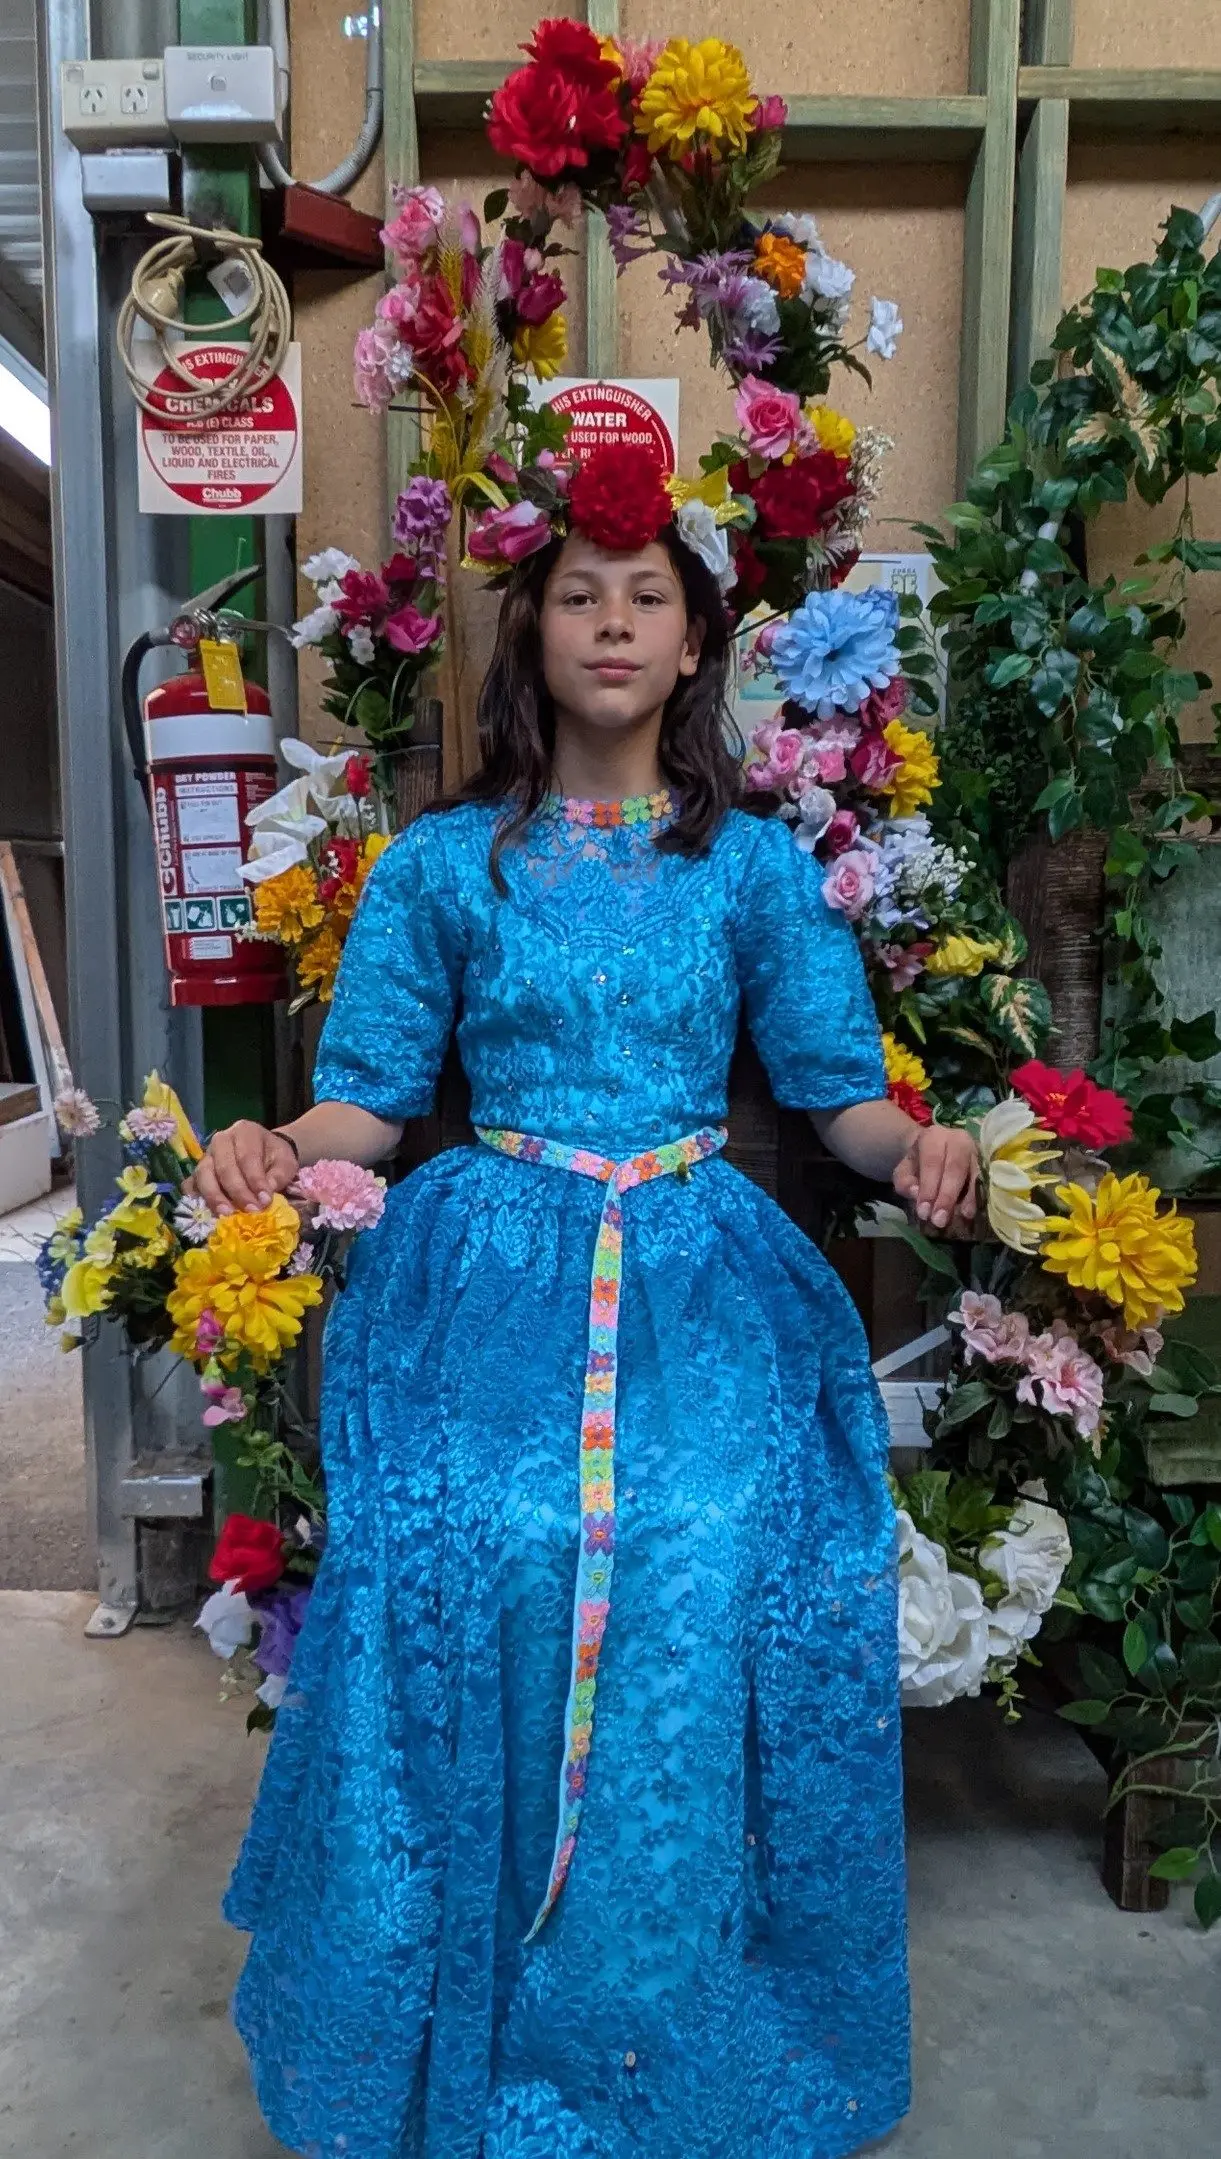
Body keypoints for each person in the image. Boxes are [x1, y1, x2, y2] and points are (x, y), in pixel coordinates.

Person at [186, 489, 977, 2159]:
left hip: (699, 1262)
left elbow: (838, 1093)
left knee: (721, 1530)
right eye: (576, 595)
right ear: (531, 637)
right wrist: (270, 1147)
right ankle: (460, 1979)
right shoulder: (441, 866)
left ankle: (664, 2000)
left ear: (695, 643)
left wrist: (921, 1145)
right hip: (491, 1265)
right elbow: (372, 1105)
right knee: (482, 1531)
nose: (611, 622)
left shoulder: (754, 867)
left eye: (645, 597)